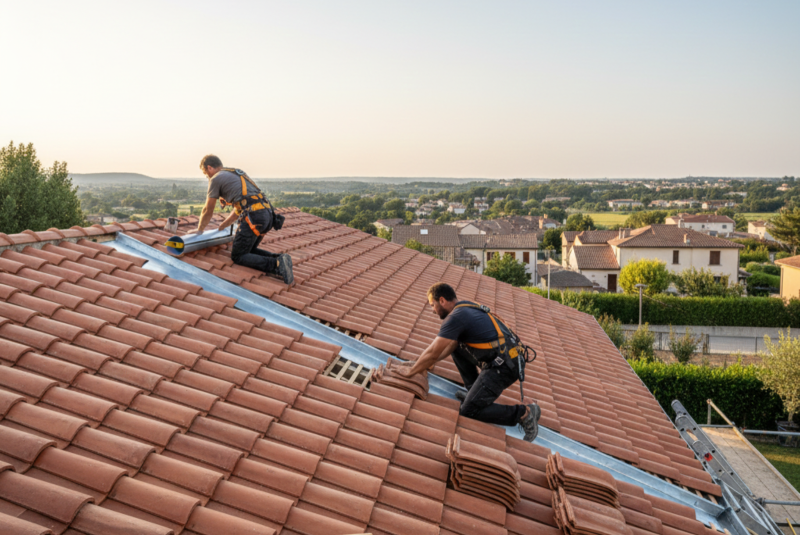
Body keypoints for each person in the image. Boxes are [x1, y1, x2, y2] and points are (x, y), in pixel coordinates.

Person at [394, 282, 541, 441]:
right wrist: (423, 363)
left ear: (442, 300)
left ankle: (524, 413)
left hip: (504, 366)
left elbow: (432, 351)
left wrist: (411, 371)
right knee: (455, 344)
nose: (432, 310)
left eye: (432, 305)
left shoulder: (456, 317)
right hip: (504, 358)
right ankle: (474, 392)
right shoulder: (466, 307)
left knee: (468, 411)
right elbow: (446, 347)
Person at [196, 154, 293, 285]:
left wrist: (199, 230)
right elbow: (238, 209)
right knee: (249, 251)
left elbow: (208, 209)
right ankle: (281, 259)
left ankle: (276, 265)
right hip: (267, 214)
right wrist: (222, 226)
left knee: (238, 255)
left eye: (205, 173)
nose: (207, 177)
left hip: (255, 216)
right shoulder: (235, 173)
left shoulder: (216, 178)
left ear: (209, 168)